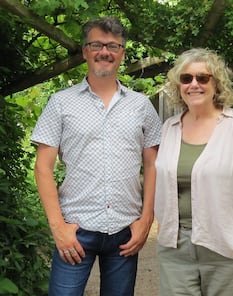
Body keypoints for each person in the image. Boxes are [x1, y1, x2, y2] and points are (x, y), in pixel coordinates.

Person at [31, 16, 161, 296]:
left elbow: (153, 164)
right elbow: (43, 167)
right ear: (85, 51)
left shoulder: (141, 106)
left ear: (122, 54)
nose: (105, 52)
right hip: (75, 230)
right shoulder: (60, 103)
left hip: (126, 231)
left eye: (113, 46)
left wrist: (146, 219)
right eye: (97, 45)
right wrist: (58, 228)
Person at [154, 48, 233, 296]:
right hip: (175, 248)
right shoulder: (170, 128)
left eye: (203, 78)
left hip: (226, 247)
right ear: (178, 86)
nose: (194, 84)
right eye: (186, 78)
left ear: (216, 84)